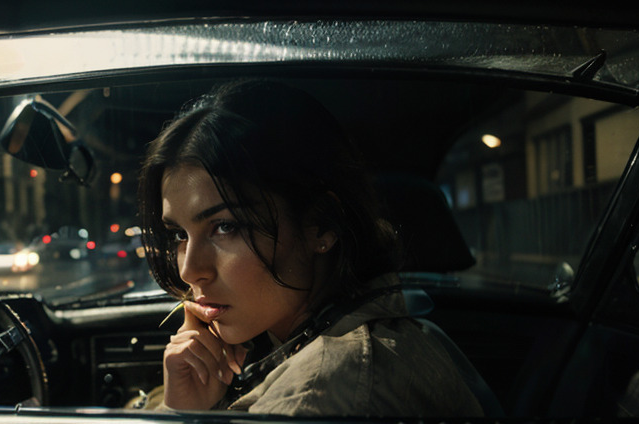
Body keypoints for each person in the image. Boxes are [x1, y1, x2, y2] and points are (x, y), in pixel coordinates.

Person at [136, 79, 484, 416]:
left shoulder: (317, 395)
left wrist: (177, 415)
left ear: (322, 225)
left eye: (226, 227)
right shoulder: (307, 340)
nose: (189, 269)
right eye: (180, 235)